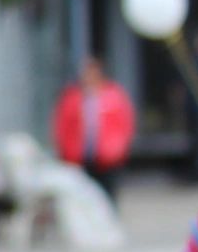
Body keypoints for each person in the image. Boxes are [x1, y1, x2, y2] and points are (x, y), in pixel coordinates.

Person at [53, 54, 136, 203]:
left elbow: (125, 124)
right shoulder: (72, 97)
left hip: (108, 158)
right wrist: (65, 151)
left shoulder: (114, 95)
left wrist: (119, 149)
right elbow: (62, 126)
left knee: (108, 198)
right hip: (79, 158)